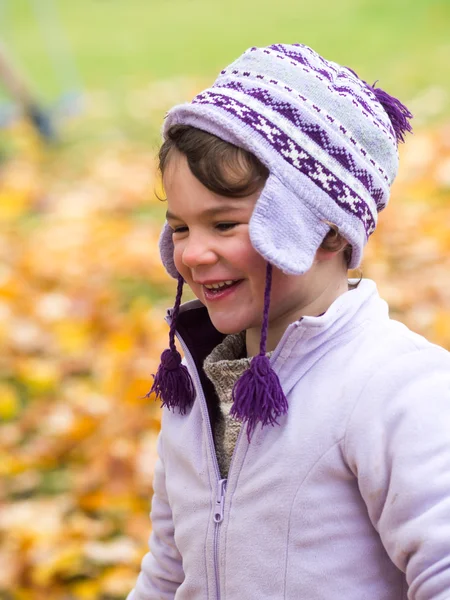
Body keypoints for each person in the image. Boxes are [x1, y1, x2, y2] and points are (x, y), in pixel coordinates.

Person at [127, 43, 450, 599]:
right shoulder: (199, 386)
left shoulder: (398, 389)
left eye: (224, 225)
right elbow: (167, 572)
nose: (192, 255)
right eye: (180, 227)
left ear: (325, 229)